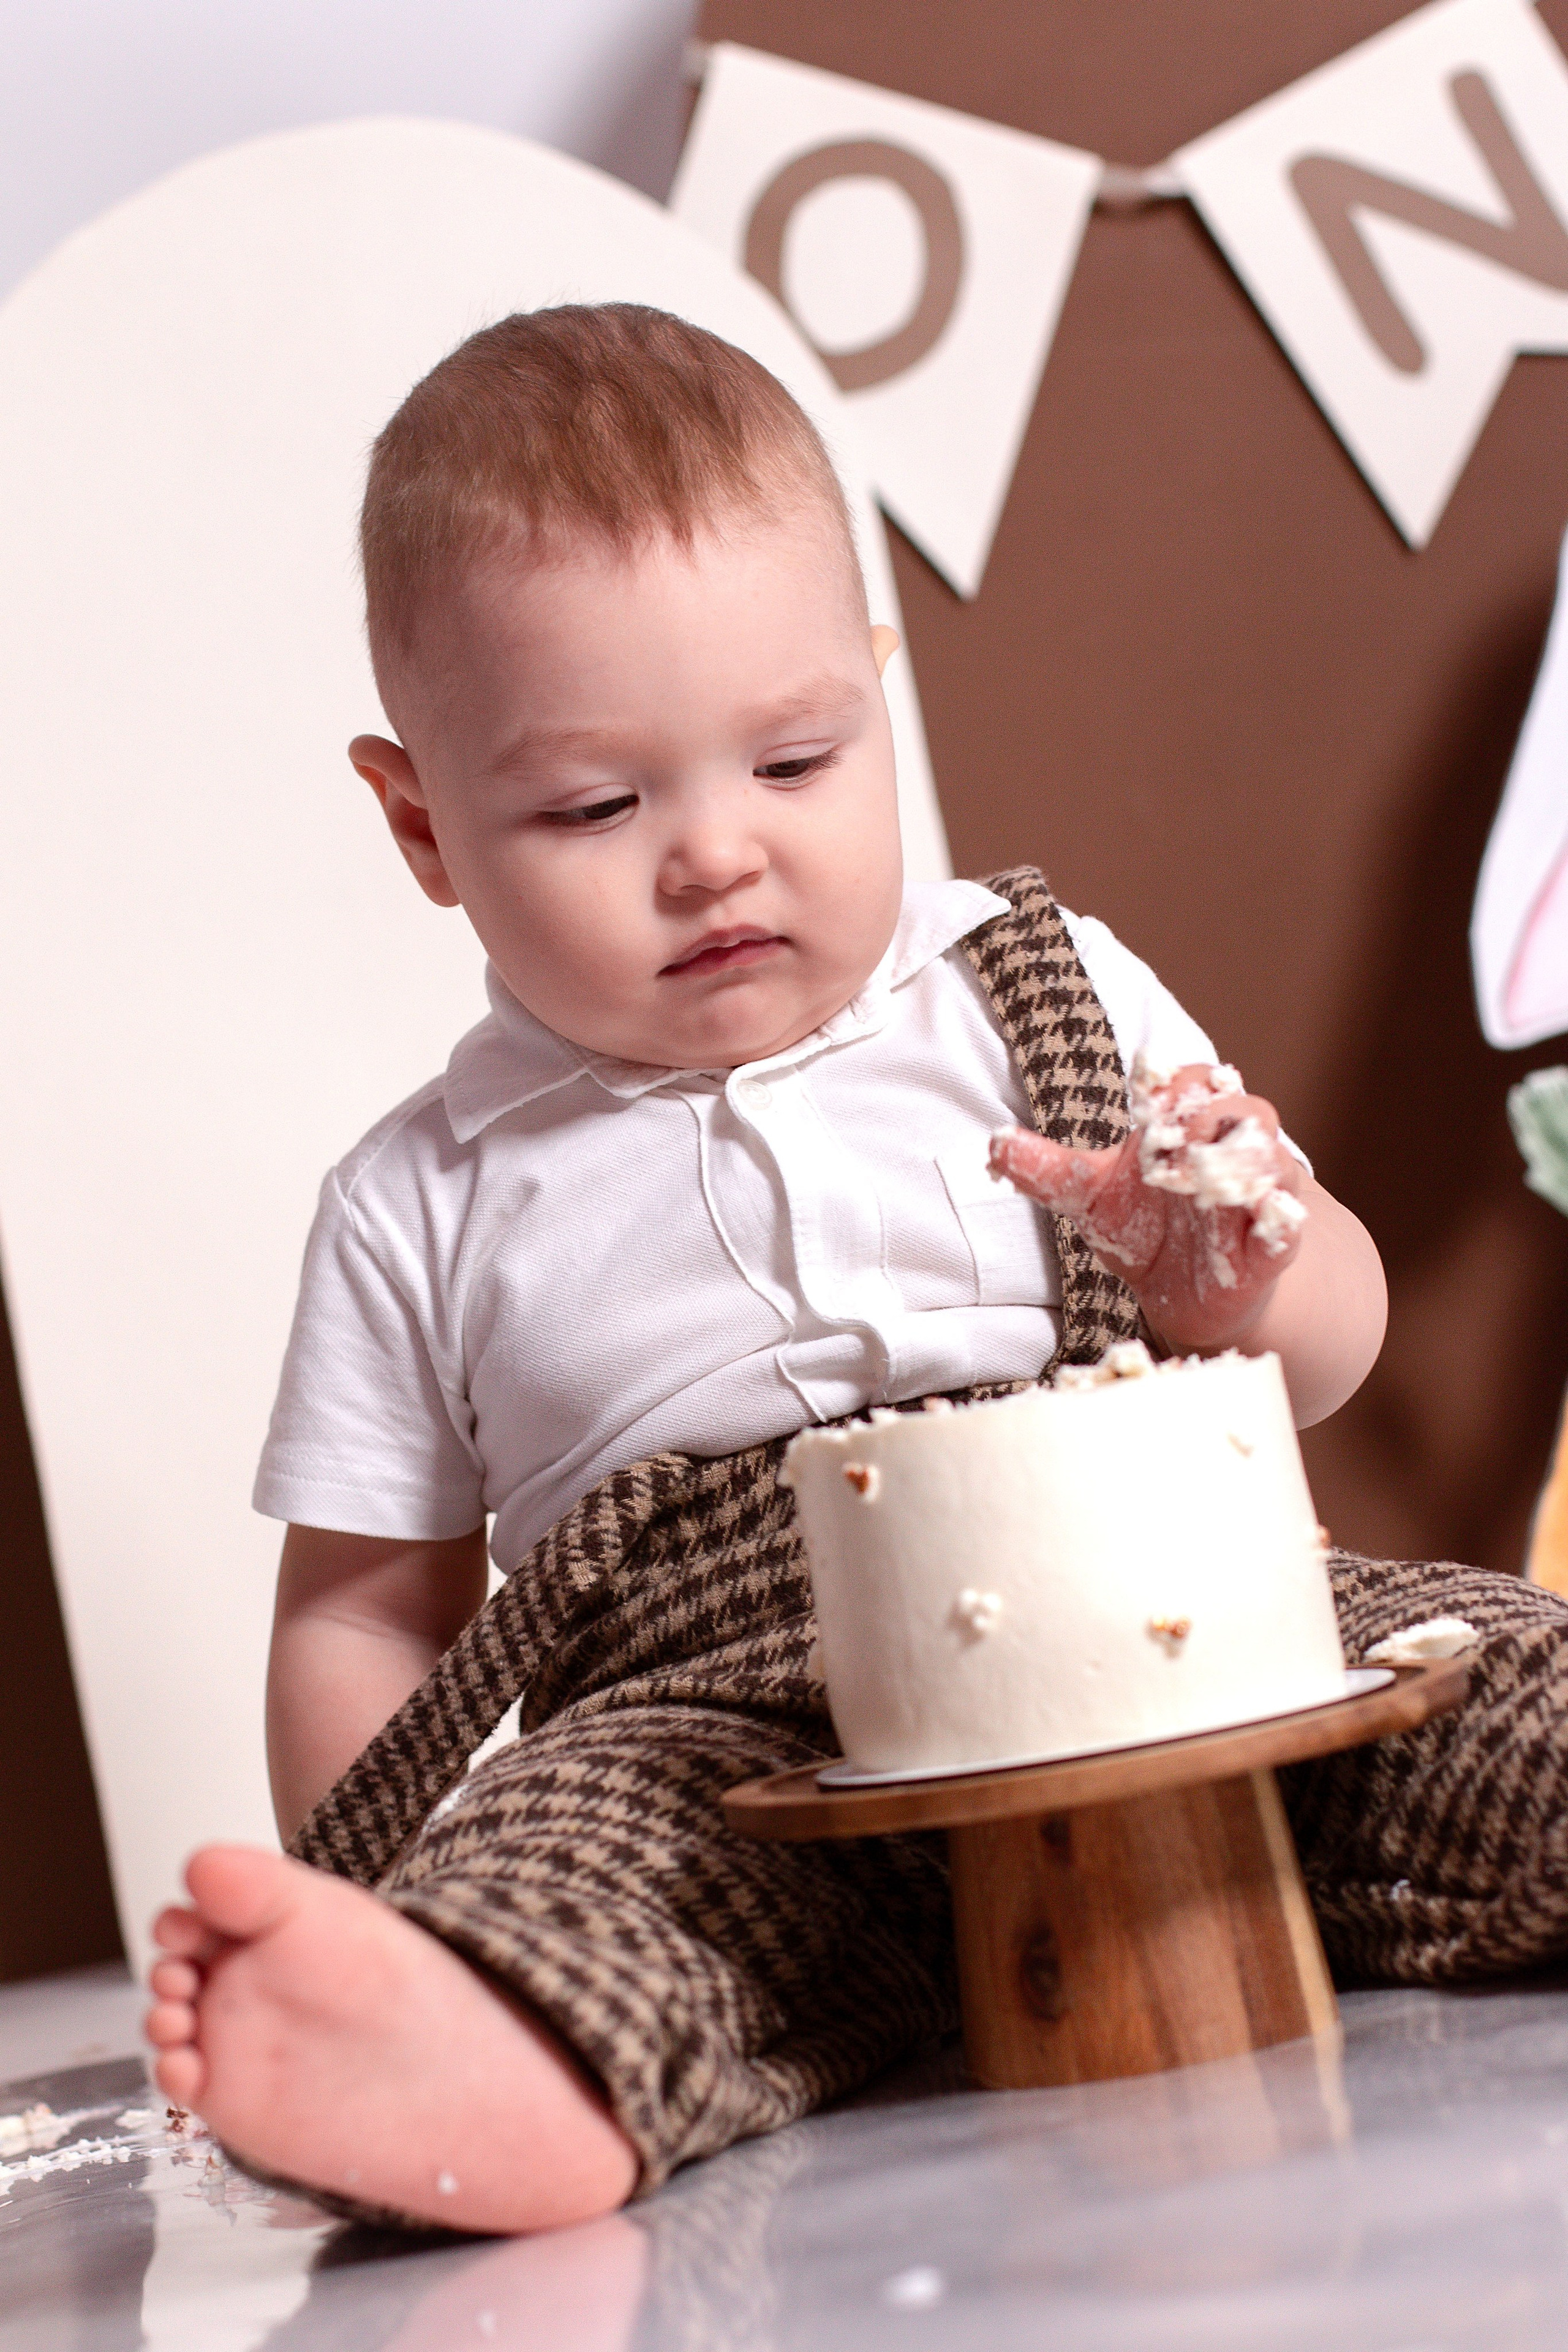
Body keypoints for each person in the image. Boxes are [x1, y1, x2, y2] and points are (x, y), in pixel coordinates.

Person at [141, 305, 1560, 2236]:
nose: (715, 853)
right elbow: (365, 1625)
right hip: (720, 1722)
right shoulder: (429, 1192)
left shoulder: (1033, 990)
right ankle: (475, 2053)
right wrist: (372, 1886)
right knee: (589, 1882)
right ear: (425, 827)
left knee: (1464, 1678)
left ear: (879, 703)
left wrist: (1236, 1280)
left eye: (796, 759)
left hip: (1161, 1620)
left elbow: (1330, 1349)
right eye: (594, 807)